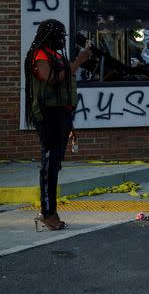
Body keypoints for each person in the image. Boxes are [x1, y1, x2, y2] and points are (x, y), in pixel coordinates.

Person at [24, 19, 92, 231]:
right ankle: (47, 212)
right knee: (49, 165)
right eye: (59, 36)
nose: (62, 39)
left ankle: (49, 210)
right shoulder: (40, 55)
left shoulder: (56, 55)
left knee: (55, 164)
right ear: (50, 36)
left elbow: (65, 90)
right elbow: (51, 79)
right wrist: (79, 61)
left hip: (61, 115)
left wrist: (70, 123)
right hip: (48, 115)